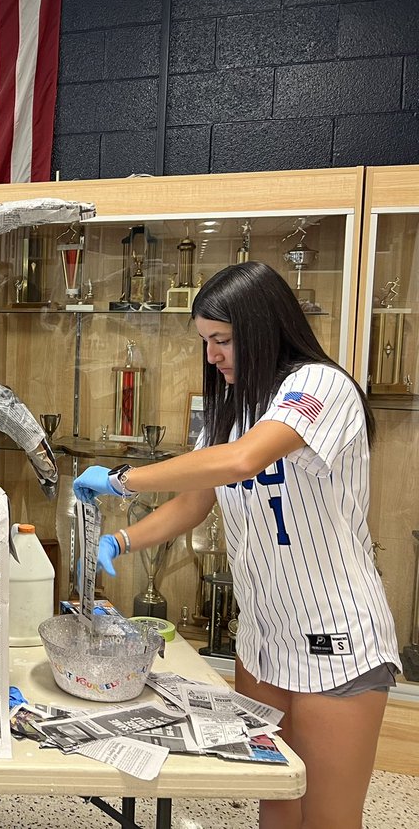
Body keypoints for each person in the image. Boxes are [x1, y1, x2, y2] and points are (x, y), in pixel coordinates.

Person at [72, 262, 400, 829]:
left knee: (327, 816)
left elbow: (244, 460)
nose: (214, 356)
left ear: (263, 328)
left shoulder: (319, 386)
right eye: (206, 343)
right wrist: (121, 539)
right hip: (263, 636)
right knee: (274, 800)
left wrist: (123, 479)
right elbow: (197, 499)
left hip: (337, 635)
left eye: (222, 341)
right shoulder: (231, 406)